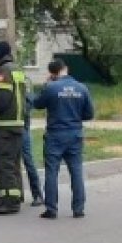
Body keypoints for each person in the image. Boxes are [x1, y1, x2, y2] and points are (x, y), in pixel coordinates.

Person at [32, 57, 95, 219]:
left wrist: (46, 86)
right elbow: (89, 114)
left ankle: (51, 209)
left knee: (52, 171)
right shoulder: (82, 88)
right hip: (75, 134)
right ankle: (78, 208)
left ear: (52, 73)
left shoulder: (51, 88)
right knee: (76, 171)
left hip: (55, 135)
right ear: (65, 68)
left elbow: (37, 104)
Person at [0, 40, 28, 214]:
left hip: (6, 125)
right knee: (13, 163)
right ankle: (17, 196)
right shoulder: (18, 69)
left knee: (2, 163)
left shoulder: (4, 71)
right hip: (18, 124)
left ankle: (9, 202)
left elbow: (2, 100)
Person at [21, 86, 43, 207]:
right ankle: (17, 195)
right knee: (12, 163)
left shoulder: (26, 96)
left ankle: (37, 195)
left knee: (28, 162)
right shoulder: (26, 94)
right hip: (13, 131)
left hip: (22, 131)